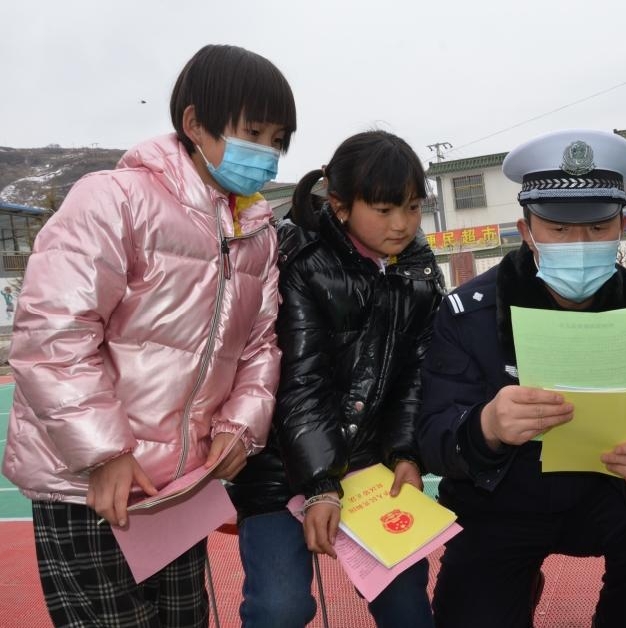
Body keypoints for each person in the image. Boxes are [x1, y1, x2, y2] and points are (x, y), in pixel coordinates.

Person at [1, 44, 296, 627]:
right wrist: (104, 453)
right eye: (253, 132)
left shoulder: (256, 232)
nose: (266, 152)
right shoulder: (114, 199)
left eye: (278, 139)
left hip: (178, 491)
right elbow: (52, 335)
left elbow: (261, 347)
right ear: (194, 123)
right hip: (87, 486)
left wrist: (239, 429)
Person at [417, 129, 626, 628]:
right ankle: (516, 584)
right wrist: (486, 426)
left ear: (622, 225)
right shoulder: (469, 313)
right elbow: (432, 436)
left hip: (611, 494)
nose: (580, 245)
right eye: (557, 228)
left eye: (598, 228)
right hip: (500, 500)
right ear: (527, 230)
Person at [228, 130, 444, 628]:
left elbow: (415, 376)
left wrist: (405, 454)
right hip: (280, 466)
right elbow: (299, 383)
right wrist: (322, 484)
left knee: (407, 605)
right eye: (385, 210)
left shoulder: (418, 272)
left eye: (413, 208)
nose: (402, 224)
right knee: (280, 608)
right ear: (341, 206)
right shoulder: (300, 262)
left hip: (369, 465)